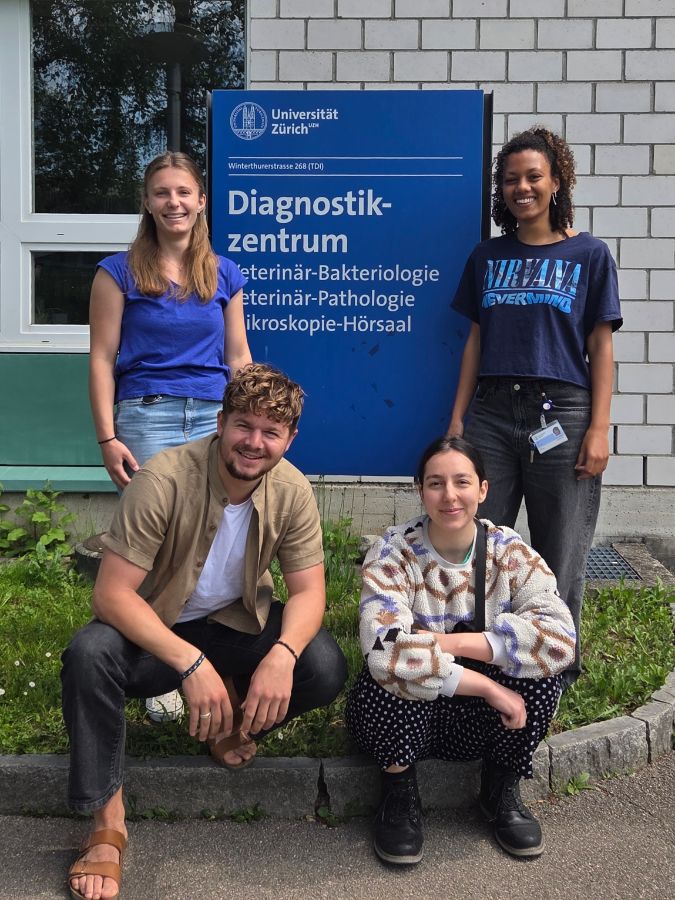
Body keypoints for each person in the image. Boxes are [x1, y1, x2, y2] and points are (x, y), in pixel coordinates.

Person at [63, 364, 347, 900]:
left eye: (271, 432)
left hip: (238, 621)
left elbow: (309, 593)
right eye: (244, 425)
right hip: (159, 628)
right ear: (220, 422)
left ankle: (232, 724)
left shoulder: (292, 491)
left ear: (290, 439)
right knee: (89, 652)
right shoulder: (164, 478)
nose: (253, 443)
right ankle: (107, 821)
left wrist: (282, 654)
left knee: (323, 664)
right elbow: (111, 595)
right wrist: (191, 664)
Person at [346, 436, 575, 865]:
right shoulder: (393, 552)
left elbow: (561, 638)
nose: (449, 495)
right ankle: (399, 792)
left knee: (543, 677)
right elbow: (383, 649)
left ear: (483, 490)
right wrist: (490, 688)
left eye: (462, 482)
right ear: (420, 491)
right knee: (390, 677)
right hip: (412, 716)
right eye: (435, 483)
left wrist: (451, 643)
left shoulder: (509, 551)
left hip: (479, 723)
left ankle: (500, 788)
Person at [446, 127, 621, 685]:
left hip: (562, 412)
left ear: (556, 182)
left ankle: (555, 663)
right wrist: (457, 420)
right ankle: (482, 652)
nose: (521, 187)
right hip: (493, 412)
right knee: (479, 538)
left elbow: (601, 347)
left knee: (559, 542)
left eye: (532, 177)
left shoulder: (589, 255)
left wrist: (599, 427)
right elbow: (474, 341)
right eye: (510, 179)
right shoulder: (488, 256)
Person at [88, 150, 251, 723]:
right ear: (147, 203)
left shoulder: (224, 274)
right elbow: (102, 359)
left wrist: (255, 417)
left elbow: (237, 359)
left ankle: (213, 656)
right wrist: (108, 438)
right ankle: (159, 672)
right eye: (162, 193)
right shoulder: (118, 272)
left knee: (211, 541)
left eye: (184, 192)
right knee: (153, 551)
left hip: (213, 418)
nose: (174, 202)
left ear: (201, 201)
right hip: (147, 415)